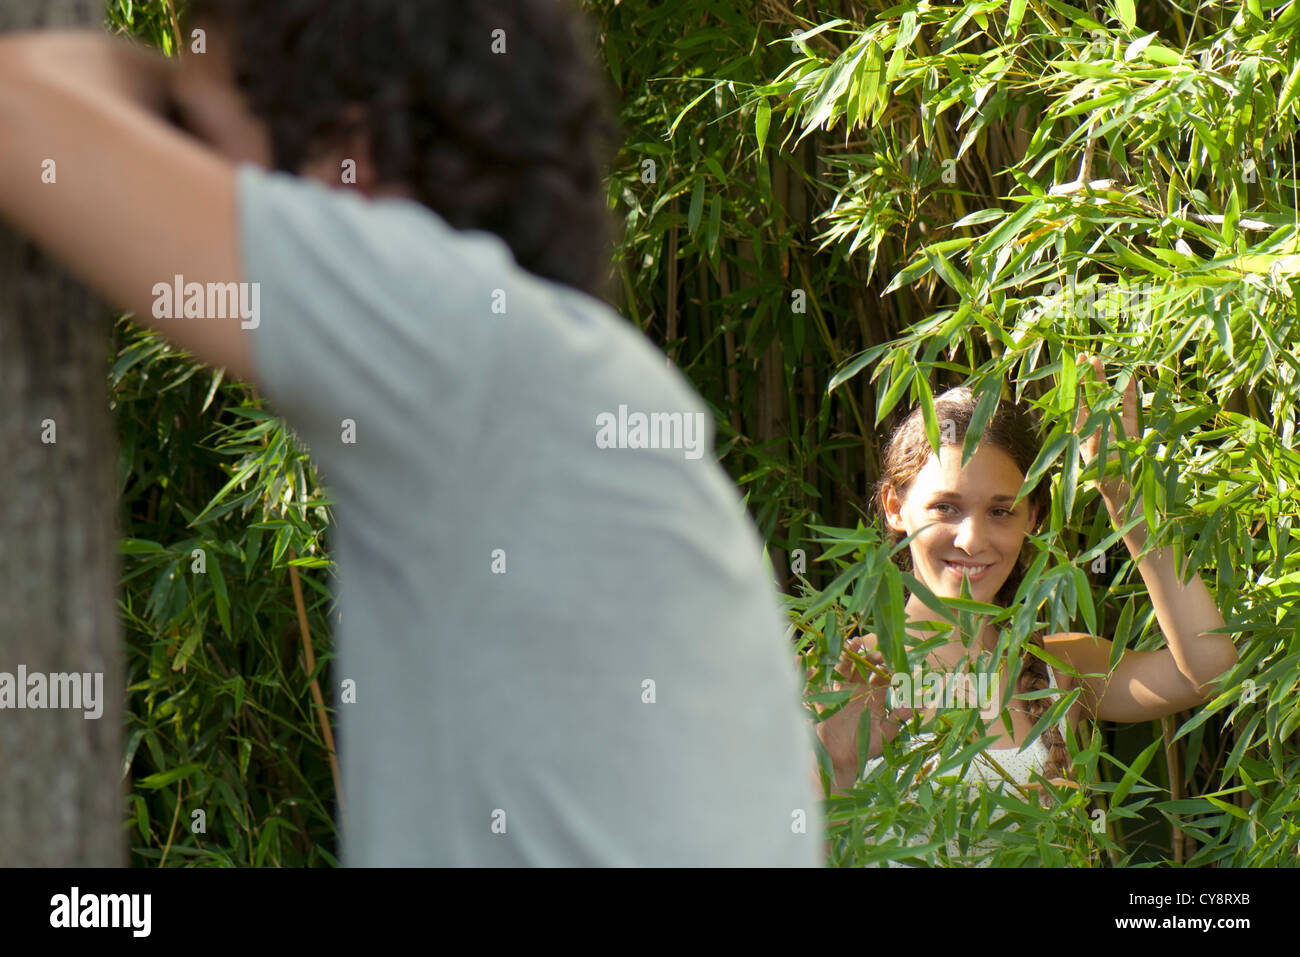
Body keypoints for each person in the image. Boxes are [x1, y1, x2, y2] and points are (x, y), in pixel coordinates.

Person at [0, 2, 822, 865]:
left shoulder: (466, 342)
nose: (185, 178)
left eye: (196, 138)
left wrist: (167, 85)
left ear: (346, 158)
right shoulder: (552, 380)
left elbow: (20, 109)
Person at [807, 359, 1238, 865]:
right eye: (946, 507)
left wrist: (1125, 495)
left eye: (1000, 511)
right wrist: (835, 769)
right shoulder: (841, 679)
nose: (971, 539)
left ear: (1032, 517)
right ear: (894, 506)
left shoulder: (1061, 669)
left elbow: (1209, 671)